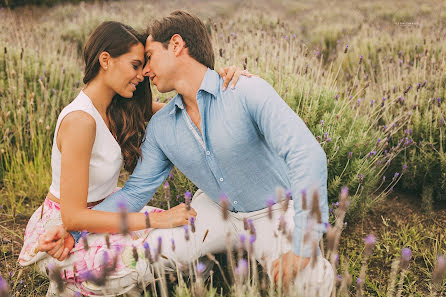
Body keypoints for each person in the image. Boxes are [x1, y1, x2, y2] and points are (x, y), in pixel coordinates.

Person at [18, 20, 250, 297]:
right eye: (135, 65)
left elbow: (188, 106)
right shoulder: (81, 120)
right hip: (61, 233)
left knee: (186, 236)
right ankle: (72, 283)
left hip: (109, 211)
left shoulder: (120, 106)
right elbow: (75, 216)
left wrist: (226, 80)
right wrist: (157, 220)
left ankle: (83, 281)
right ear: (106, 60)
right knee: (137, 261)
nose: (142, 74)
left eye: (144, 65)